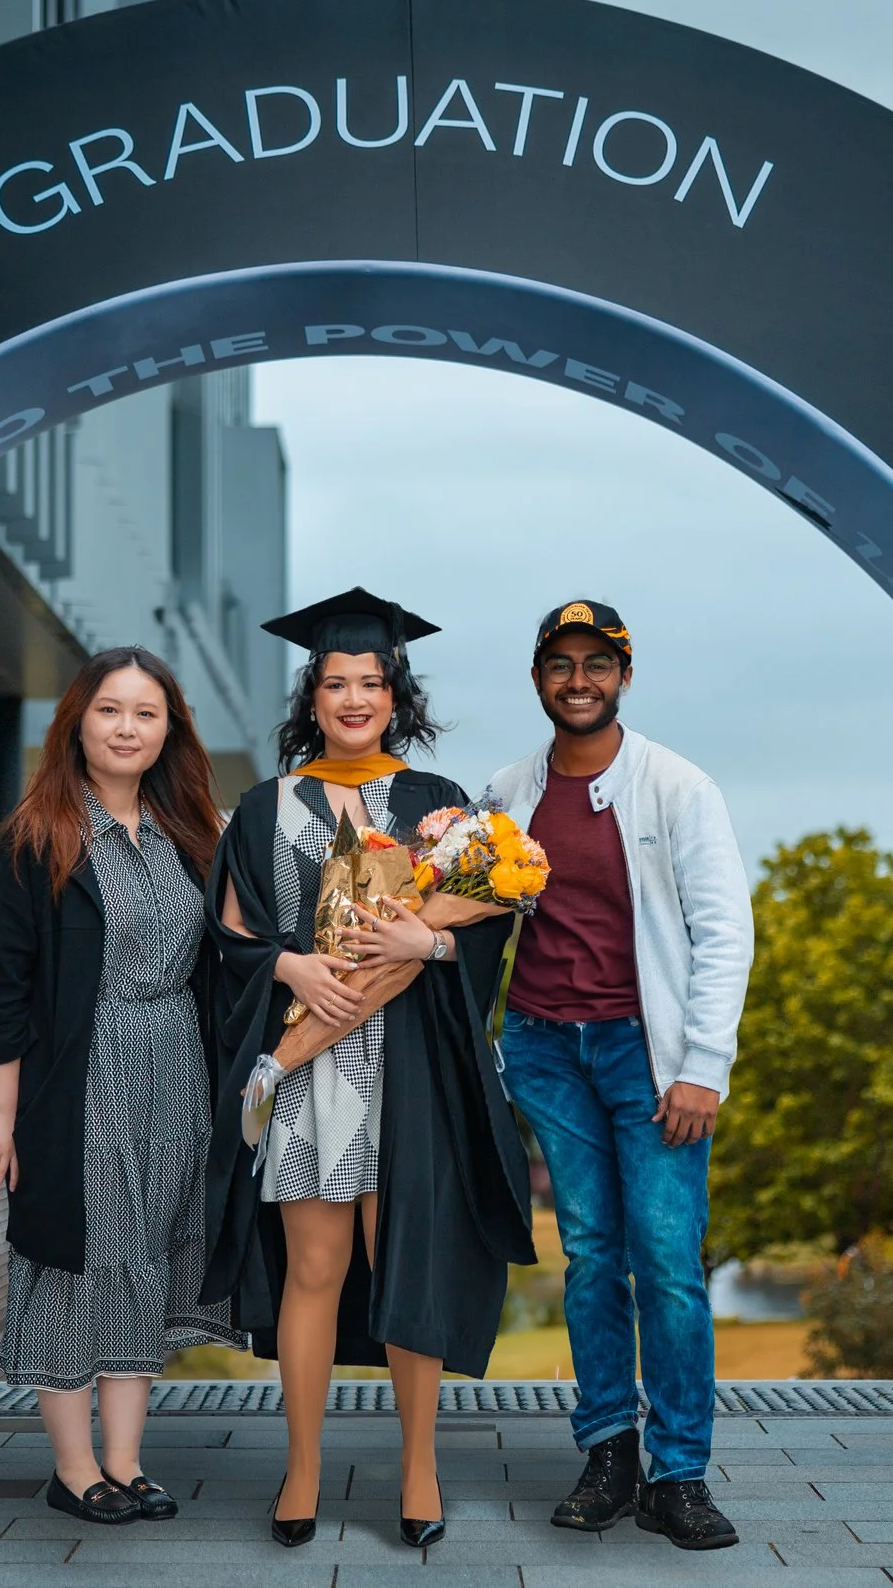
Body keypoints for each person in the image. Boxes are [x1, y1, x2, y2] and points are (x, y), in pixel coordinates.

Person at [203, 587, 534, 1552]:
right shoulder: (265, 806)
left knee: (408, 1257)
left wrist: (427, 947)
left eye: (371, 682)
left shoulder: (440, 804)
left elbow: (483, 922)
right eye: (336, 682)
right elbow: (228, 936)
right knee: (315, 1266)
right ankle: (302, 1467)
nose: (354, 698)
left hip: (413, 1065)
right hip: (309, 1066)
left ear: (397, 696)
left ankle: (418, 1463)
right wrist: (291, 963)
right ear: (312, 696)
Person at [486, 601, 753, 1551]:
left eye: (598, 663)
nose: (579, 679)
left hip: (653, 1053)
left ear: (624, 677)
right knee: (594, 1255)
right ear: (538, 680)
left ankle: (679, 1474)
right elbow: (468, 911)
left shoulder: (677, 786)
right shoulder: (508, 792)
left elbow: (725, 930)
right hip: (548, 1048)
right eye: (560, 664)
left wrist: (703, 1067)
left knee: (670, 1264)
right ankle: (609, 1453)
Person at [0, 647, 240, 1526]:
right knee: (72, 1266)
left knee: (146, 1260)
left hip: (176, 1074)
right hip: (78, 1079)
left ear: (170, 730)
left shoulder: (190, 833)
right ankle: (73, 1466)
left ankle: (126, 1461)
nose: (128, 727)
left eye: (147, 713)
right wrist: (4, 1114)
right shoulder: (38, 834)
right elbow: (3, 985)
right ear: (78, 722)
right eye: (110, 710)